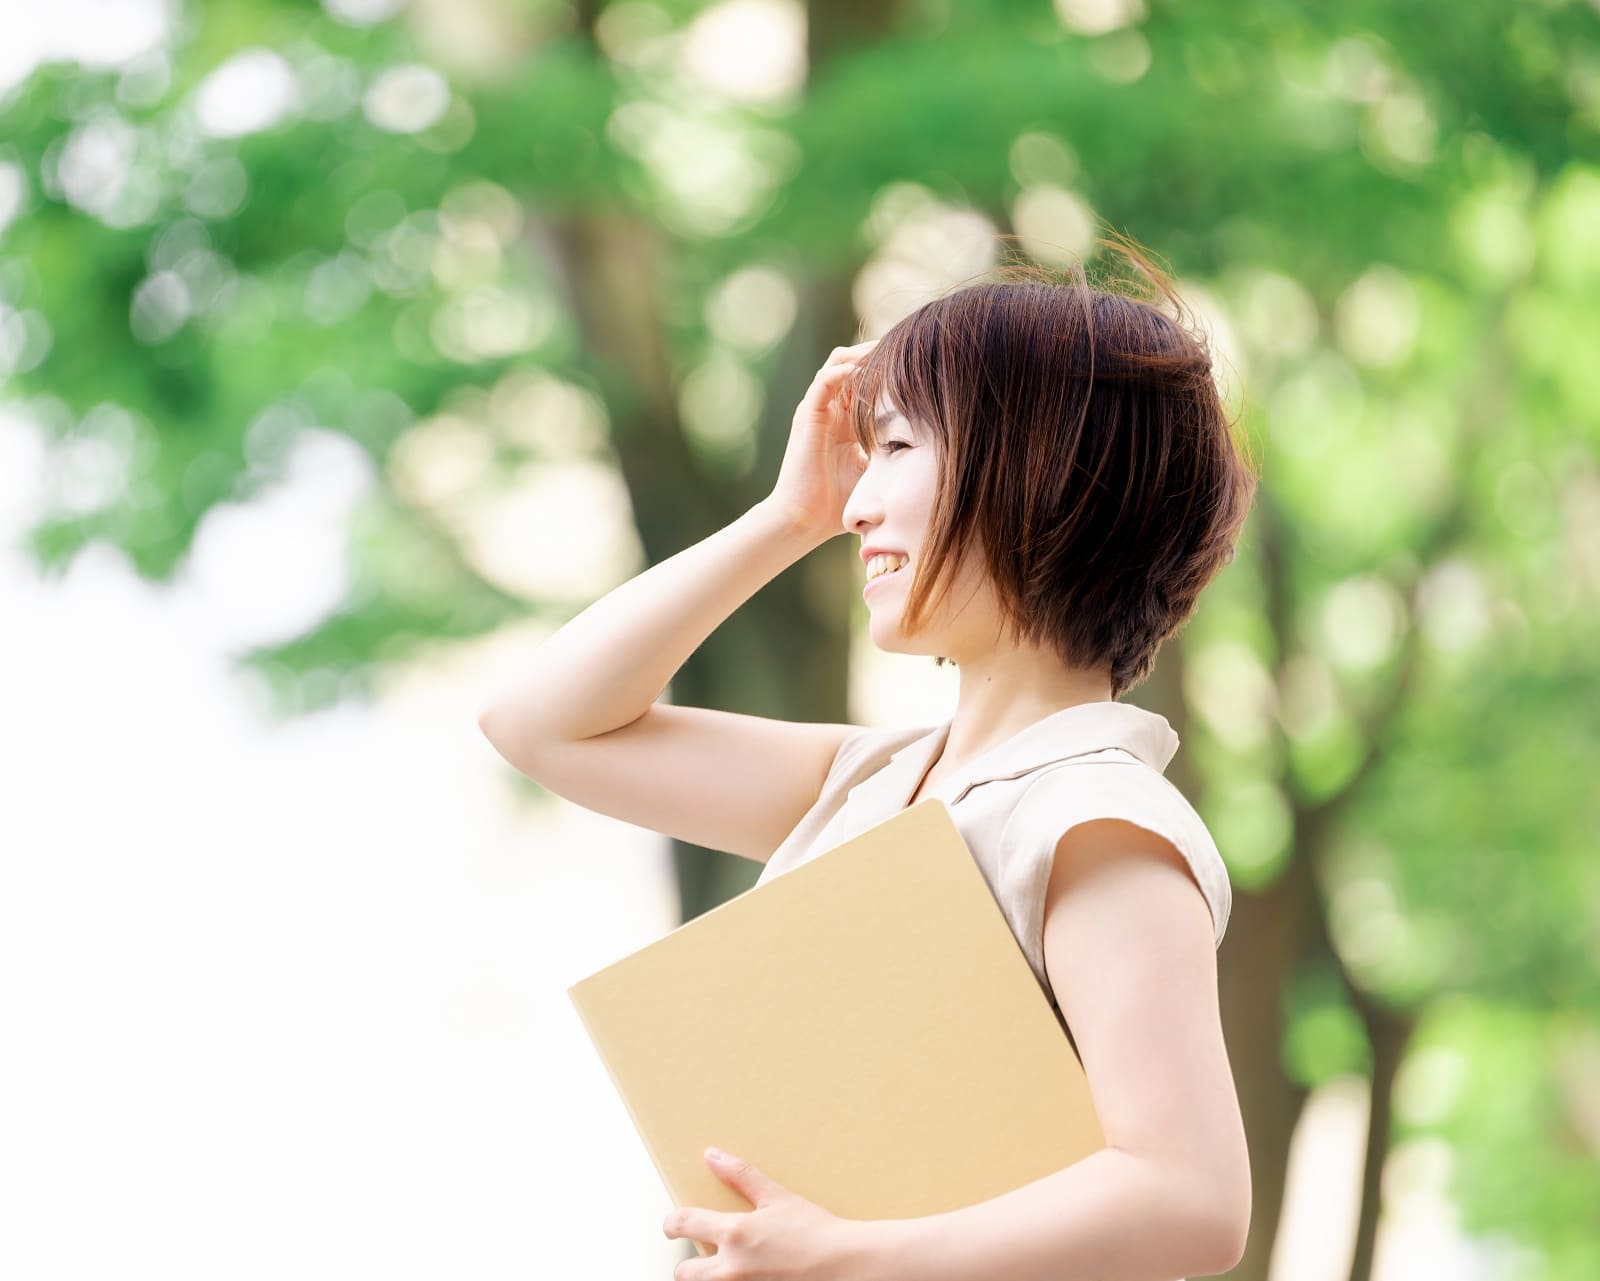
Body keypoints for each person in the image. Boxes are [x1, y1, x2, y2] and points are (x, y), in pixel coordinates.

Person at [477, 237, 1258, 1281]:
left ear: (1038, 470)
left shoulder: (1095, 819)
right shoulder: (870, 784)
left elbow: (1191, 1198)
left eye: (895, 449)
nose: (852, 504)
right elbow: (542, 726)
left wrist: (846, 1258)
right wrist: (779, 519)